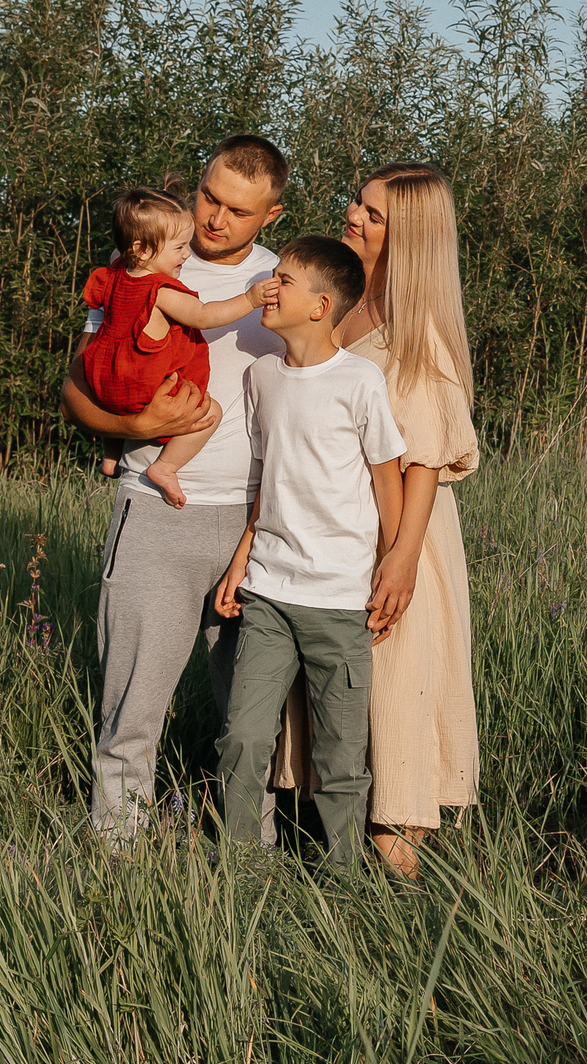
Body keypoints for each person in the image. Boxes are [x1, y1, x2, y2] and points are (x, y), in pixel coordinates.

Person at [62, 134, 287, 843]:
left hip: (257, 525)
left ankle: (254, 868)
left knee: (256, 724)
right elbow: (75, 389)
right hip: (154, 513)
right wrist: (136, 421)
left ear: (272, 216)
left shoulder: (285, 283)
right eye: (209, 197)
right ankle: (114, 869)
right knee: (131, 715)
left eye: (239, 211)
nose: (217, 219)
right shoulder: (137, 265)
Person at [273, 160, 481, 878]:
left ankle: (399, 889)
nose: (353, 217)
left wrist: (401, 556)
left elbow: (425, 456)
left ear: (411, 235)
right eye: (356, 204)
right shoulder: (347, 301)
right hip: (338, 527)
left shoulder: (414, 326)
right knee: (343, 696)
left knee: (395, 693)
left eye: (373, 213)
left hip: (402, 534)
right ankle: (339, 861)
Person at [210, 236, 405, 865]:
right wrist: (241, 561)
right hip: (268, 590)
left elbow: (387, 479)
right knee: (242, 736)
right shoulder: (261, 377)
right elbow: (267, 479)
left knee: (340, 754)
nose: (271, 288)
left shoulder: (359, 380)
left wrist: (391, 565)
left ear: (321, 306)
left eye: (284, 280)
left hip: (340, 601)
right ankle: (240, 869)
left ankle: (345, 883)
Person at [81, 186, 281, 507]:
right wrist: (250, 298)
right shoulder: (160, 290)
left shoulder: (115, 275)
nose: (187, 255)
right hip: (140, 392)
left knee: (118, 399)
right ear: (142, 250)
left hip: (104, 381)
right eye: (179, 247)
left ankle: (110, 454)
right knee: (209, 412)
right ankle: (166, 467)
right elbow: (203, 315)